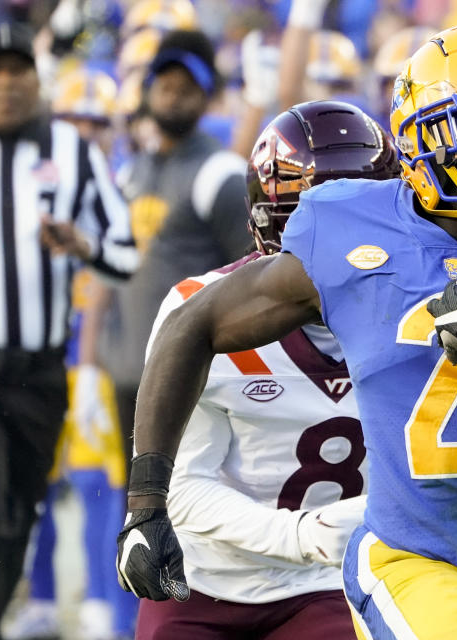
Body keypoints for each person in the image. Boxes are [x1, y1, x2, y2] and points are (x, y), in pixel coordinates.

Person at [116, 24, 457, 639]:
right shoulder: (351, 225)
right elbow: (193, 323)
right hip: (415, 558)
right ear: (422, 142)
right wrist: (146, 502)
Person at [132, 99, 398, 640]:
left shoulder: (416, 313)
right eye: (327, 227)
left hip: (332, 582)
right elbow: (181, 489)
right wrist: (301, 534)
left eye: (363, 223)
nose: (347, 250)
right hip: (206, 580)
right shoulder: (201, 314)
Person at [0, 24, 137, 640]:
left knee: (20, 519)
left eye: (16, 70)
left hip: (38, 372)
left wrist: (84, 244)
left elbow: (126, 255)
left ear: (36, 81)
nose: (3, 84)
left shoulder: (72, 152)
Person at [98, 28, 249, 477]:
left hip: (190, 380)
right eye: (165, 86)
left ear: (208, 97)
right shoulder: (133, 171)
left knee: (185, 517)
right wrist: (95, 361)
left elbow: (253, 274)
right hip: (130, 374)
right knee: (139, 515)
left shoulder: (219, 174)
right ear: (147, 90)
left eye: (186, 89)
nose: (173, 97)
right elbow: (113, 273)